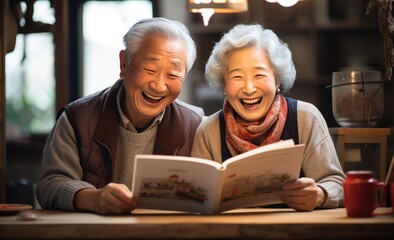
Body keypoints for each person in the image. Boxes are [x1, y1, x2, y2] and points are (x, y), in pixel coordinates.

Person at [36, 17, 204, 215]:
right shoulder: (77, 117)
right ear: (124, 64)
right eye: (150, 69)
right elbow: (49, 185)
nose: (159, 85)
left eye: (173, 75)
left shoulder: (195, 123)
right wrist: (94, 198)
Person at [191, 23, 345, 211]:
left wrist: (320, 194)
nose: (249, 89)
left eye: (259, 75)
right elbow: (197, 197)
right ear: (223, 84)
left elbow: (337, 183)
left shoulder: (305, 117)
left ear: (277, 79)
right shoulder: (209, 131)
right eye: (237, 77)